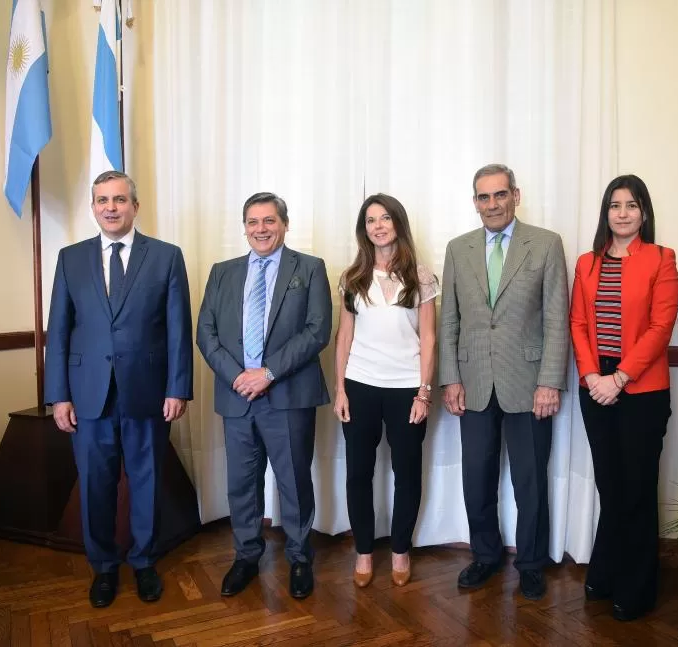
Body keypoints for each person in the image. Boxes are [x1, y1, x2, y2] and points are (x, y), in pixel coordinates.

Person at [45, 170, 194, 608]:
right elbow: (60, 330)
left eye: (119, 199)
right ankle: (104, 568)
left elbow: (178, 329)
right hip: (87, 394)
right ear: (93, 207)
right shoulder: (70, 258)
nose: (111, 207)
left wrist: (178, 388)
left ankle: (144, 562)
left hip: (148, 392)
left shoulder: (166, 256)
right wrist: (59, 395)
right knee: (95, 484)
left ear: (135, 205)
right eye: (102, 200)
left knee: (147, 482)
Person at [439, 163, 569, 600]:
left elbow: (556, 319)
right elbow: (449, 320)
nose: (492, 204)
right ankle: (485, 556)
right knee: (476, 477)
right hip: (473, 382)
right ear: (474, 201)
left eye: (499, 195)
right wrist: (450, 378)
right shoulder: (458, 249)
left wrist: (550, 381)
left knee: (529, 479)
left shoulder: (547, 245)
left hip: (530, 383)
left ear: (516, 194)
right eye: (483, 197)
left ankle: (531, 563)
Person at [196, 192, 332, 600]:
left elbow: (317, 330)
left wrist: (268, 373)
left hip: (287, 395)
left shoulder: (309, 268)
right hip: (237, 395)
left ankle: (299, 557)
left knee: (293, 481)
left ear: (285, 224)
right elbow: (206, 333)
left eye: (269, 221)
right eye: (253, 222)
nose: (261, 229)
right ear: (244, 228)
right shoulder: (222, 272)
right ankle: (246, 557)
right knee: (241, 483)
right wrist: (240, 376)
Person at [570, 174, 678, 621]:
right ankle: (605, 572)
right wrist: (594, 375)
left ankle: (637, 589)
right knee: (610, 488)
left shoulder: (661, 259)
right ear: (606, 213)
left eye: (631, 205)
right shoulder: (587, 263)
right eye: (615, 205)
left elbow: (660, 328)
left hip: (641, 394)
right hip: (595, 389)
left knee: (636, 491)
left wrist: (620, 379)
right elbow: (578, 324)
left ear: (644, 212)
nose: (622, 213)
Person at [333, 194, 439, 588]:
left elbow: (428, 338)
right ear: (365, 230)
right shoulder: (351, 278)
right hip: (360, 385)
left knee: (407, 472)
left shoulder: (422, 277)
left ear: (398, 224)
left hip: (406, 387)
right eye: (370, 220)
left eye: (385, 218)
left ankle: (400, 551)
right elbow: (343, 338)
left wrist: (424, 392)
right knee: (358, 473)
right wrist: (340, 389)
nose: (378, 226)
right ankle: (363, 552)